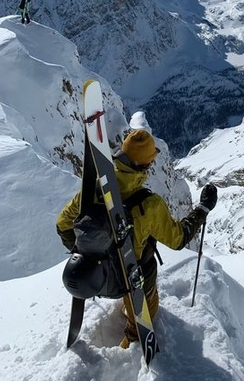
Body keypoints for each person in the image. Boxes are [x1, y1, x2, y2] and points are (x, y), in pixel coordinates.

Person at [56, 129, 217, 349]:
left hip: (95, 277)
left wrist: (84, 250)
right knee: (146, 277)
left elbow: (63, 225)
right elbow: (178, 239)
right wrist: (203, 209)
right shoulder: (149, 204)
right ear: (146, 166)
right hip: (132, 281)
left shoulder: (90, 191)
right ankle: (130, 343)